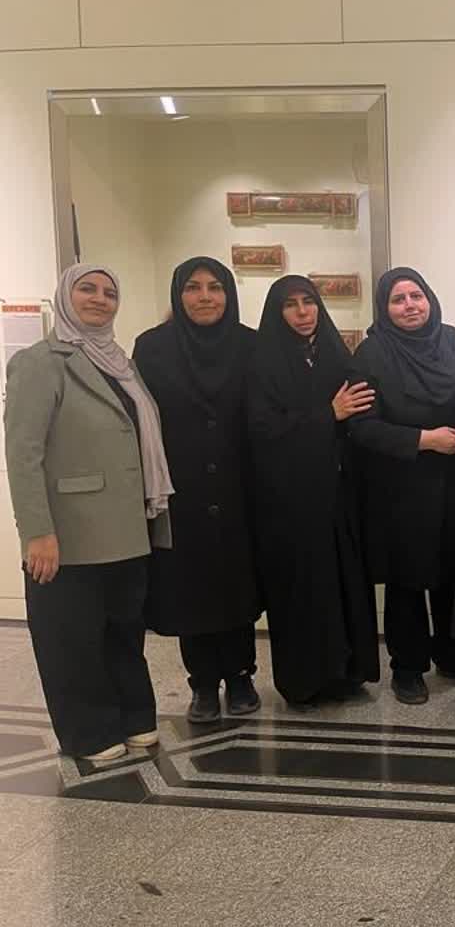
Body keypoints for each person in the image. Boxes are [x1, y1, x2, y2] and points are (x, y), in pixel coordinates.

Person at [4, 264, 173, 761]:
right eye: (87, 289)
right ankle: (89, 731)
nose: (100, 299)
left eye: (109, 292)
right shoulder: (41, 362)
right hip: (69, 532)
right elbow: (23, 454)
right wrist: (37, 532)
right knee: (72, 639)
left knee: (123, 630)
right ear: (64, 296)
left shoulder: (121, 362)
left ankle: (134, 716)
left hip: (128, 524)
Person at [134, 257, 262, 724]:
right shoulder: (152, 348)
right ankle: (203, 682)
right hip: (180, 488)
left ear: (229, 294)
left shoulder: (251, 344)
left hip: (240, 485)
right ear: (178, 294)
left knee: (237, 584)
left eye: (215, 287)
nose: (205, 296)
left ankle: (241, 676)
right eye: (193, 287)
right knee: (190, 587)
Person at [349, 268, 455, 705]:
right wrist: (424, 440)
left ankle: (451, 656)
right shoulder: (372, 353)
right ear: (384, 308)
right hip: (401, 487)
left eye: (416, 296)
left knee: (452, 575)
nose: (409, 306)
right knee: (407, 581)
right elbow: (361, 427)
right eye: (398, 299)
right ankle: (407, 668)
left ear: (430, 299)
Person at [247, 275, 380, 709]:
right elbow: (263, 430)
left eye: (309, 302)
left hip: (338, 496)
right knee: (301, 589)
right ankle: (305, 681)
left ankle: (348, 673)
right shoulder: (263, 362)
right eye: (291, 305)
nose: (303, 312)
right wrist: (327, 415)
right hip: (290, 503)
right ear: (277, 312)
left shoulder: (335, 354)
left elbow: (360, 412)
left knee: (343, 583)